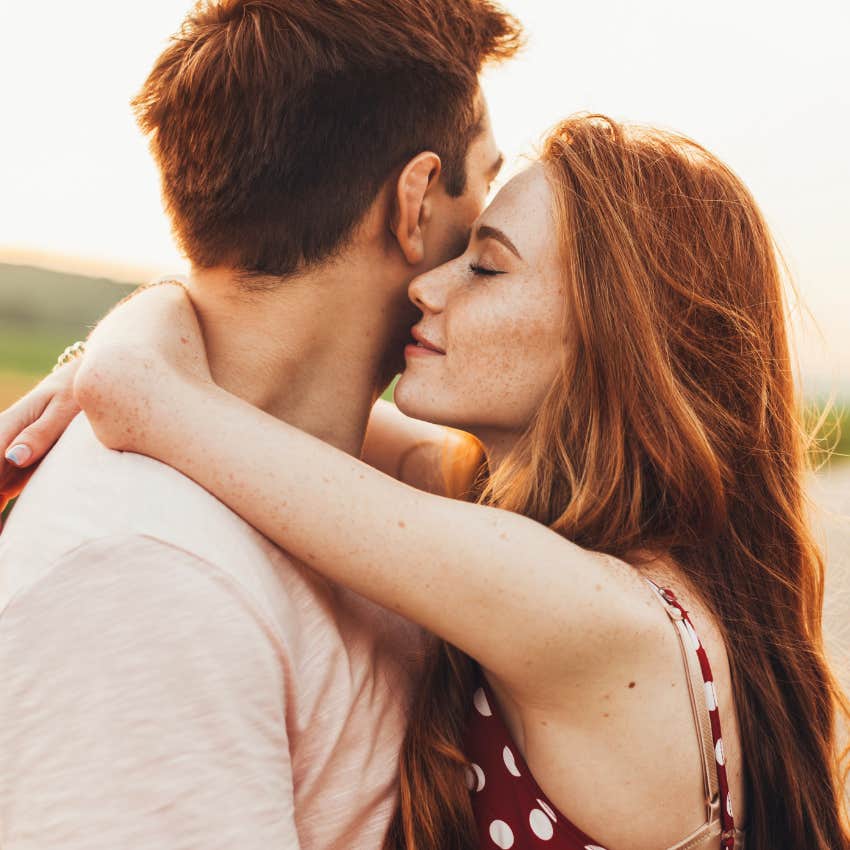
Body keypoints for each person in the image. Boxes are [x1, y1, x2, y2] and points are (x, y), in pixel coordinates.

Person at [6, 115, 850, 850]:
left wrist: (112, 364)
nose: (428, 285)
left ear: (614, 344)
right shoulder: (547, 537)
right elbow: (252, 401)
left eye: (485, 269)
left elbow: (151, 401)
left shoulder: (584, 608)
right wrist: (131, 348)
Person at [0, 1, 522, 848]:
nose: (485, 232)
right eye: (486, 186)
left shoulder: (366, 484)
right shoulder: (142, 574)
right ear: (417, 201)